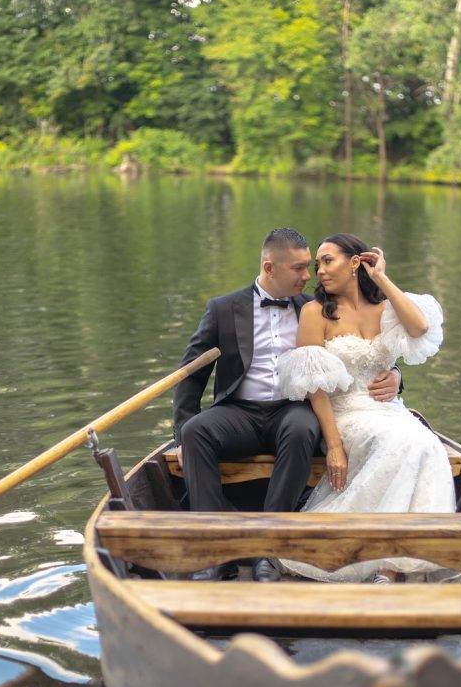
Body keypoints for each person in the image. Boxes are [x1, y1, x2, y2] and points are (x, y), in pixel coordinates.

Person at [172, 227, 402, 582]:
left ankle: (269, 549)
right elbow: (191, 374)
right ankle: (215, 548)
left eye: (309, 266)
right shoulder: (222, 309)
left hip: (291, 408)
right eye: (298, 268)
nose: (308, 276)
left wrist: (398, 376)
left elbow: (365, 344)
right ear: (270, 268)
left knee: (302, 429)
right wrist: (179, 437)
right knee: (195, 432)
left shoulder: (314, 308)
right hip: (239, 411)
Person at [276, 232, 456, 583]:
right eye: (317, 265)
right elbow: (315, 388)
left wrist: (381, 278)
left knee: (426, 444)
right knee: (404, 444)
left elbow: (419, 327)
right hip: (344, 415)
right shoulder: (315, 313)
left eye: (328, 261)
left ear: (355, 262)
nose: (320, 272)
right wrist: (335, 446)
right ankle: (378, 561)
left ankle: (389, 567)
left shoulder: (386, 308)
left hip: (390, 412)